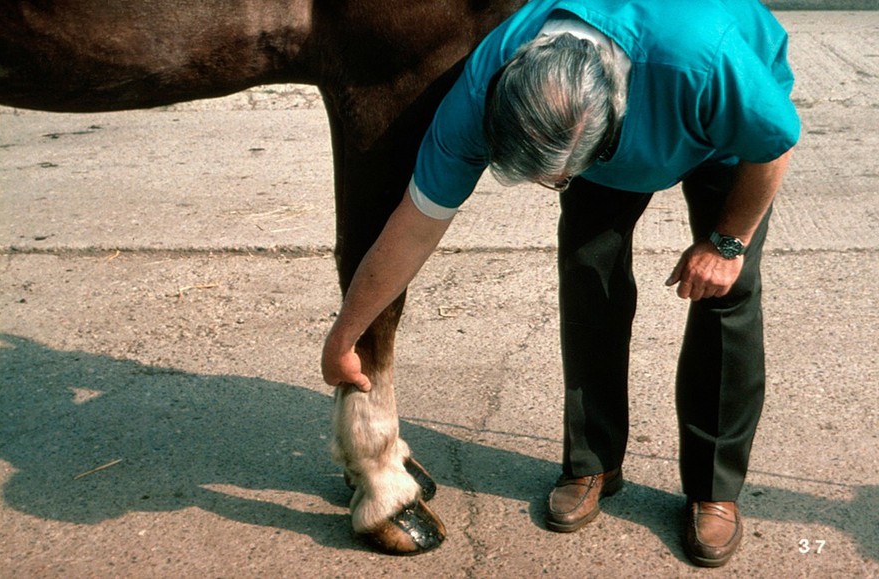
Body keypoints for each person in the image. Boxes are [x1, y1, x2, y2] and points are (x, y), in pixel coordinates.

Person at [322, 0, 799, 567]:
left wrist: (726, 245)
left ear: (613, 117)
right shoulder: (481, 90)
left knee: (727, 296)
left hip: (723, 134)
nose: (558, 185)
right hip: (604, 132)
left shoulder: (704, 59)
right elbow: (413, 227)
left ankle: (714, 488)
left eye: (564, 176)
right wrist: (346, 335)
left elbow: (774, 147)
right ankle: (592, 461)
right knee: (588, 278)